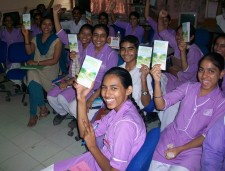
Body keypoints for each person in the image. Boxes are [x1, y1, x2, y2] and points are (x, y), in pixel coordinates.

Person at [42, 67, 146, 171]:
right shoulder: (117, 111)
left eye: (114, 88)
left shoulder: (125, 125)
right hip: (99, 159)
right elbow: (84, 133)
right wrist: (81, 99)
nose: (106, 94)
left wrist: (92, 146)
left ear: (128, 90)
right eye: (104, 87)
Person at [149, 52, 225, 171]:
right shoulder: (189, 87)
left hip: (192, 149)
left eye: (211, 71)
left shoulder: (221, 103)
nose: (204, 75)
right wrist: (157, 82)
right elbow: (161, 105)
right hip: (169, 139)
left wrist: (180, 149)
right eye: (201, 70)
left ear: (221, 74)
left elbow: (206, 136)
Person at [47, 23, 94, 125]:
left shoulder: (93, 50)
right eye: (82, 33)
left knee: (62, 98)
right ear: (79, 34)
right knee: (50, 96)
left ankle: (75, 115)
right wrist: (70, 56)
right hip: (70, 76)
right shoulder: (75, 44)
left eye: (88, 34)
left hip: (83, 81)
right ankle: (63, 112)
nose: (84, 36)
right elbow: (61, 34)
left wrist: (69, 82)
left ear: (92, 36)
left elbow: (86, 75)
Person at [22, 16, 62, 127]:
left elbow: (54, 60)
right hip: (36, 69)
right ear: (40, 26)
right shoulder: (36, 38)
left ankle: (43, 108)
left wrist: (37, 63)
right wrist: (26, 36)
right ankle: (33, 113)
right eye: (44, 24)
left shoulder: (57, 40)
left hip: (50, 71)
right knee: (31, 75)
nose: (47, 26)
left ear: (53, 26)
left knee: (32, 79)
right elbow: (29, 51)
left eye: (50, 24)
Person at [119, 35, 153, 110]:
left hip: (134, 112)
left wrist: (143, 79)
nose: (126, 53)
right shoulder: (118, 70)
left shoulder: (144, 71)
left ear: (137, 51)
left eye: (130, 49)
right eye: (123, 49)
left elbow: (146, 103)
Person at [0, 14, 24, 87]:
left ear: (13, 21)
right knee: (10, 70)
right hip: (6, 55)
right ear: (4, 22)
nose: (9, 22)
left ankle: (19, 83)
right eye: (7, 20)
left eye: (10, 20)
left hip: (17, 54)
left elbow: (21, 44)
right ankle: (20, 83)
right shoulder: (2, 32)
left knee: (15, 67)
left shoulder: (17, 31)